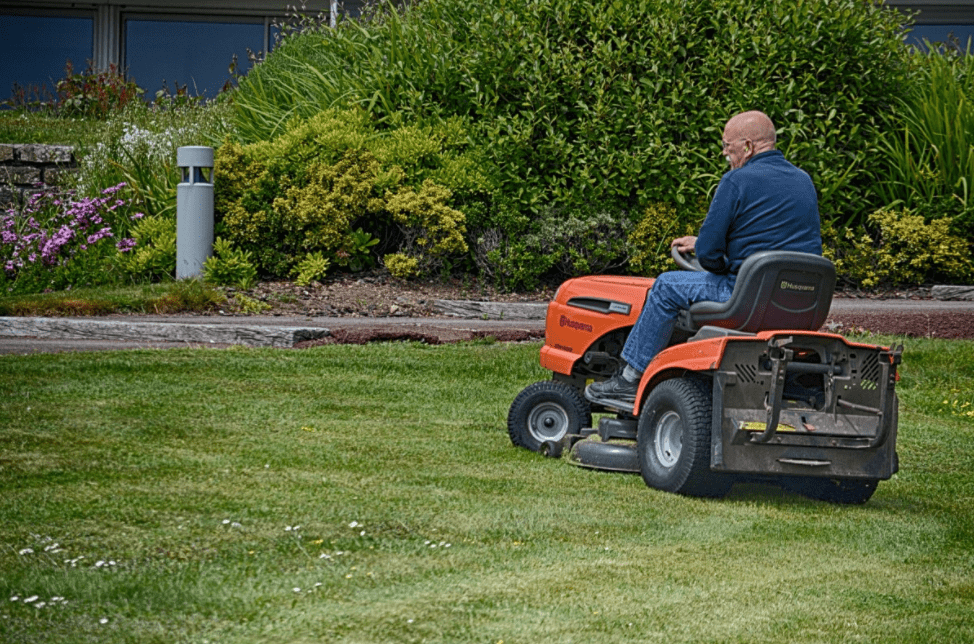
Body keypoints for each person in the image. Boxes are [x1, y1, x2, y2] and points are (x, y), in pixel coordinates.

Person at [585, 110, 822, 409]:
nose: (724, 152)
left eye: (727, 145)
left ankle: (630, 378)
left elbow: (710, 255)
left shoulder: (736, 180)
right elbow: (774, 238)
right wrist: (707, 247)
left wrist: (719, 262)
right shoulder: (803, 181)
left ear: (747, 147)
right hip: (799, 302)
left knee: (666, 286)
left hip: (747, 299)